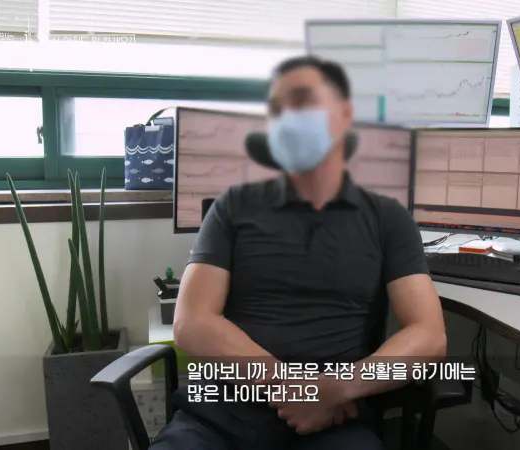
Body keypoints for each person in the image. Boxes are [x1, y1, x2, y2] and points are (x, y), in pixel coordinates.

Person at [151, 55, 446, 450]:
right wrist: (290, 387)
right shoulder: (232, 207)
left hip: (334, 419)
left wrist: (337, 389)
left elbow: (428, 336)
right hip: (220, 414)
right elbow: (192, 322)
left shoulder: (388, 218)